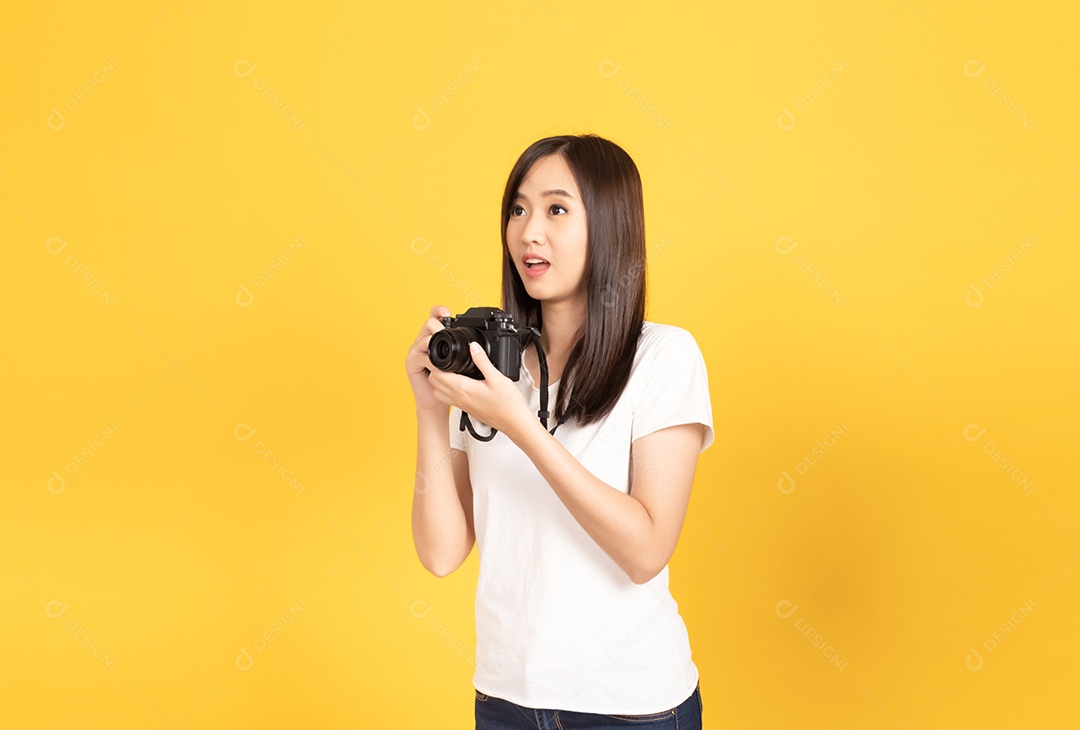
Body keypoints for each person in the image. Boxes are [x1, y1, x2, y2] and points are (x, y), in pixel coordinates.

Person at [405, 134, 714, 729]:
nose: (528, 233)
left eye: (556, 209)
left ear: (610, 225)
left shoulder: (663, 358)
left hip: (628, 709)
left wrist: (520, 425)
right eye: (517, 209)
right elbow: (441, 553)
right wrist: (429, 410)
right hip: (505, 702)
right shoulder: (492, 367)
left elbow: (646, 551)